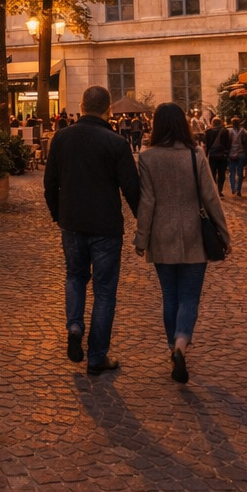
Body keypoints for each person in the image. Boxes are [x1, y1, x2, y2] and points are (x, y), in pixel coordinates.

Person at [43, 85, 140, 376]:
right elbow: (132, 191)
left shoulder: (61, 138)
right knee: (105, 291)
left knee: (74, 277)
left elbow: (50, 184)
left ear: (82, 106)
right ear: (108, 109)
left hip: (72, 222)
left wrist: (58, 215)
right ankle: (97, 356)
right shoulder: (116, 143)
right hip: (105, 226)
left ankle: (74, 326)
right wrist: (144, 226)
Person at [134, 102, 229, 384]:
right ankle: (180, 345)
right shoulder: (194, 154)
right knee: (189, 297)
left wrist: (141, 238)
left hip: (161, 236)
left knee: (169, 297)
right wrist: (224, 233)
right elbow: (210, 197)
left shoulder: (147, 157)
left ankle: (172, 348)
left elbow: (147, 202)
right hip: (193, 236)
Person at [204, 117, 231, 195]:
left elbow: (206, 145)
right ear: (220, 123)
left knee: (212, 173)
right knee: (221, 173)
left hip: (212, 155)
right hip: (222, 156)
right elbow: (228, 144)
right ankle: (220, 190)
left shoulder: (208, 132)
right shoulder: (225, 132)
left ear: (212, 123)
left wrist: (206, 155)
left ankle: (214, 189)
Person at [225, 117, 247, 198]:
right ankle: (239, 189)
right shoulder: (243, 131)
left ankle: (233, 187)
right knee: (240, 173)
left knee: (232, 172)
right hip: (241, 153)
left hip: (231, 154)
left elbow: (227, 143)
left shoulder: (229, 132)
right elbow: (246, 143)